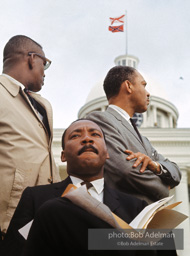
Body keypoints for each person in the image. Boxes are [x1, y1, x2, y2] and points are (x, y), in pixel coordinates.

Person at [3, 119, 148, 256]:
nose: (87, 139)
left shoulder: (136, 207)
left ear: (107, 153)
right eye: (75, 136)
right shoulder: (35, 198)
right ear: (63, 155)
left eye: (95, 134)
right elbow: (14, 250)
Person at [87, 66, 181, 204]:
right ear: (128, 86)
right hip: (121, 219)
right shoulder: (100, 120)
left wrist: (155, 166)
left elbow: (176, 171)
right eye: (143, 85)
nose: (148, 93)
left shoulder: (144, 140)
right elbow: (125, 170)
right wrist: (164, 188)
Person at [0, 35, 60, 237]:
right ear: (31, 59)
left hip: (37, 227)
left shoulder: (42, 106)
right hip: (7, 225)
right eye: (45, 63)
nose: (45, 72)